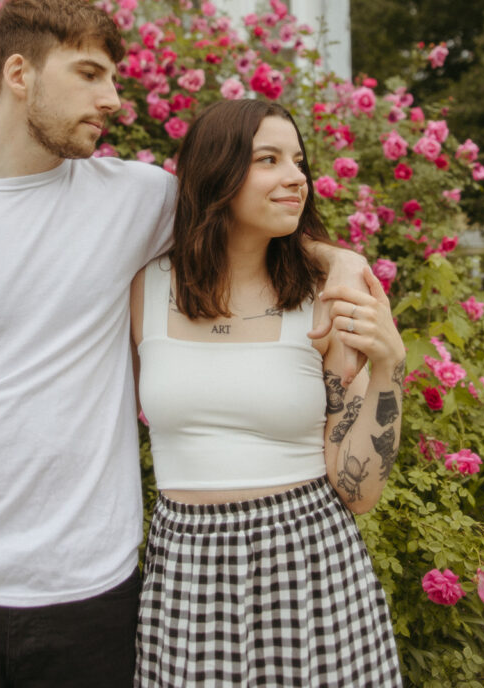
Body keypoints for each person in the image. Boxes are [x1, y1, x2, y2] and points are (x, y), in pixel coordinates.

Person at [0, 0, 366, 688]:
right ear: (19, 74)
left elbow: (241, 214)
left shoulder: (139, 199)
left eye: (115, 78)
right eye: (89, 74)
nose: (112, 99)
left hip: (91, 596)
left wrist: (338, 259)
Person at [131, 98, 405, 687]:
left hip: (306, 560)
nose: (296, 177)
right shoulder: (145, 289)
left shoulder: (324, 299)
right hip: (186, 563)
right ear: (217, 173)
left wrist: (389, 368)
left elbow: (357, 490)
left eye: (299, 161)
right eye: (269, 159)